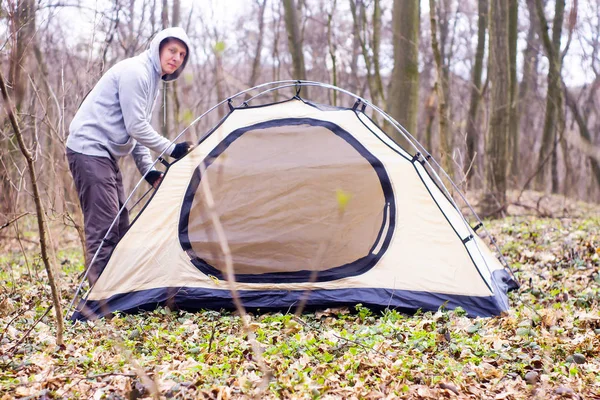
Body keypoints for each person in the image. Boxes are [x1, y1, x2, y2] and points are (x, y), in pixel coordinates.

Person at [66, 27, 192, 285]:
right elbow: (137, 127)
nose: (176, 58)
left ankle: (115, 288)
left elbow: (133, 129)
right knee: (104, 228)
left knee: (120, 223)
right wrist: (171, 149)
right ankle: (98, 302)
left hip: (104, 155)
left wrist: (149, 171)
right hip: (89, 149)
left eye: (182, 54)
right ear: (158, 48)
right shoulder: (137, 73)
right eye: (172, 50)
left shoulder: (152, 79)